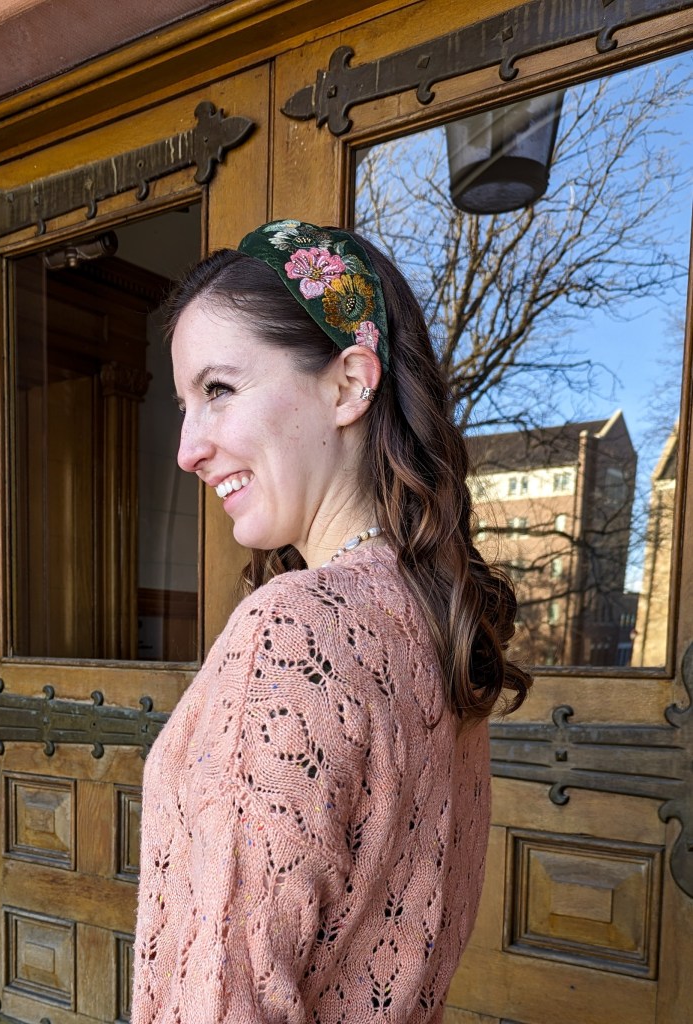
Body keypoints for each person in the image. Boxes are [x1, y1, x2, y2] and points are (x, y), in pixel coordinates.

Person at [131, 219, 531, 1024]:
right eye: (183, 403)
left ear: (349, 383)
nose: (187, 448)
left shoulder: (295, 630)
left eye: (218, 390)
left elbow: (223, 1002)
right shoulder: (428, 618)